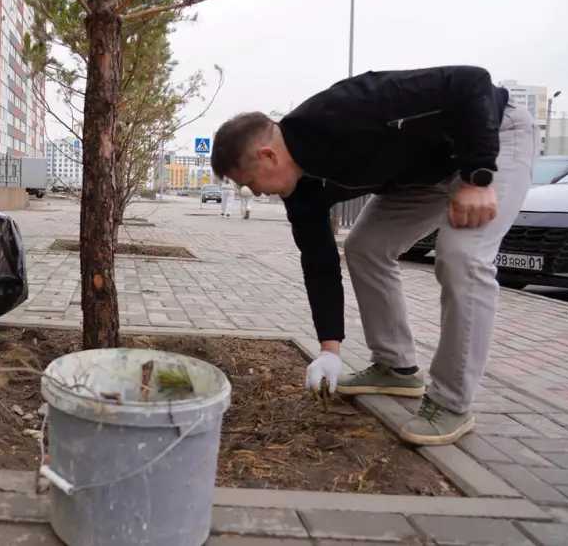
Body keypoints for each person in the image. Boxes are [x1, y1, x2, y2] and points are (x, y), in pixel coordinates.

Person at [210, 66, 535, 446]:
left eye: (249, 183)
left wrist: (477, 175)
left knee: (462, 255)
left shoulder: (346, 108)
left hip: (490, 137)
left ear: (267, 155)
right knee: (364, 247)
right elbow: (319, 263)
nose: (255, 193)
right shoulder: (299, 191)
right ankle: (396, 367)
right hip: (423, 176)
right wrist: (329, 350)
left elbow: (471, 82)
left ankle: (451, 402)